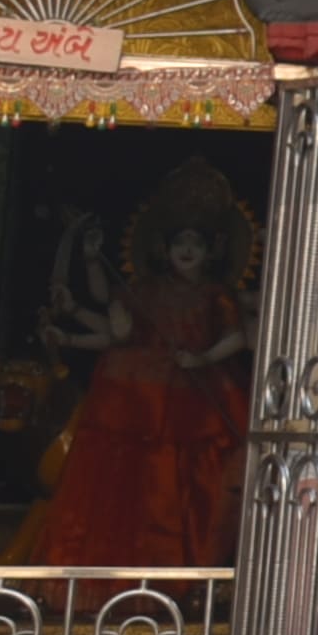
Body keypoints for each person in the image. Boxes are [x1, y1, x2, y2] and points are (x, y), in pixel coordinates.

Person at [20, 171, 257, 570]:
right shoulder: (146, 289)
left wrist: (201, 359)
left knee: (195, 480)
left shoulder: (216, 294)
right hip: (139, 395)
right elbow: (112, 312)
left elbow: (236, 336)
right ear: (165, 249)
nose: (186, 250)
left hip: (197, 397)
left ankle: (191, 568)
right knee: (130, 480)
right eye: (179, 242)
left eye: (195, 243)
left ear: (210, 251)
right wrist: (92, 259)